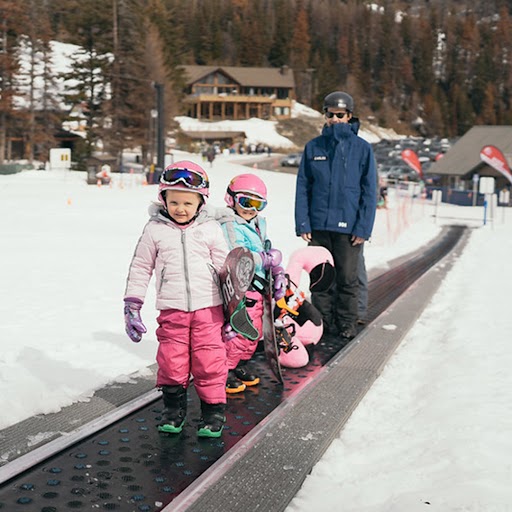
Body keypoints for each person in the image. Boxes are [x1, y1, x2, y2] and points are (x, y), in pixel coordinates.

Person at [123, 160, 230, 438]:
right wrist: (132, 304)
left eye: (187, 203)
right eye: (174, 202)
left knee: (210, 361)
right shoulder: (154, 230)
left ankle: (213, 412)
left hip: (209, 308)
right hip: (172, 310)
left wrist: (235, 308)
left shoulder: (210, 229)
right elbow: (140, 266)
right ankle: (173, 410)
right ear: (163, 200)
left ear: (200, 203)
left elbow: (225, 269)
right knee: (172, 360)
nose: (180, 209)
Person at [295, 91, 377, 341]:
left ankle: (346, 323)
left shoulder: (362, 149)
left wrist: (363, 228)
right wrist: (303, 223)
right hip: (319, 227)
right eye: (330, 114)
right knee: (321, 281)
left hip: (348, 228)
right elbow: (303, 187)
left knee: (347, 279)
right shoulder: (314, 147)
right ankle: (322, 324)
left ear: (349, 116)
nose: (335, 119)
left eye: (340, 115)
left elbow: (369, 191)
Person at [216, 173, 286, 393]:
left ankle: (240, 365)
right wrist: (265, 260)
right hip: (241, 288)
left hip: (258, 288)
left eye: (258, 204)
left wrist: (277, 270)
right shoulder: (229, 224)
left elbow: (265, 247)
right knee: (237, 332)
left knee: (254, 332)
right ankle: (225, 370)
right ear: (231, 199)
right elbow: (236, 255)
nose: (251, 209)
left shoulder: (257, 223)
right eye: (246, 202)